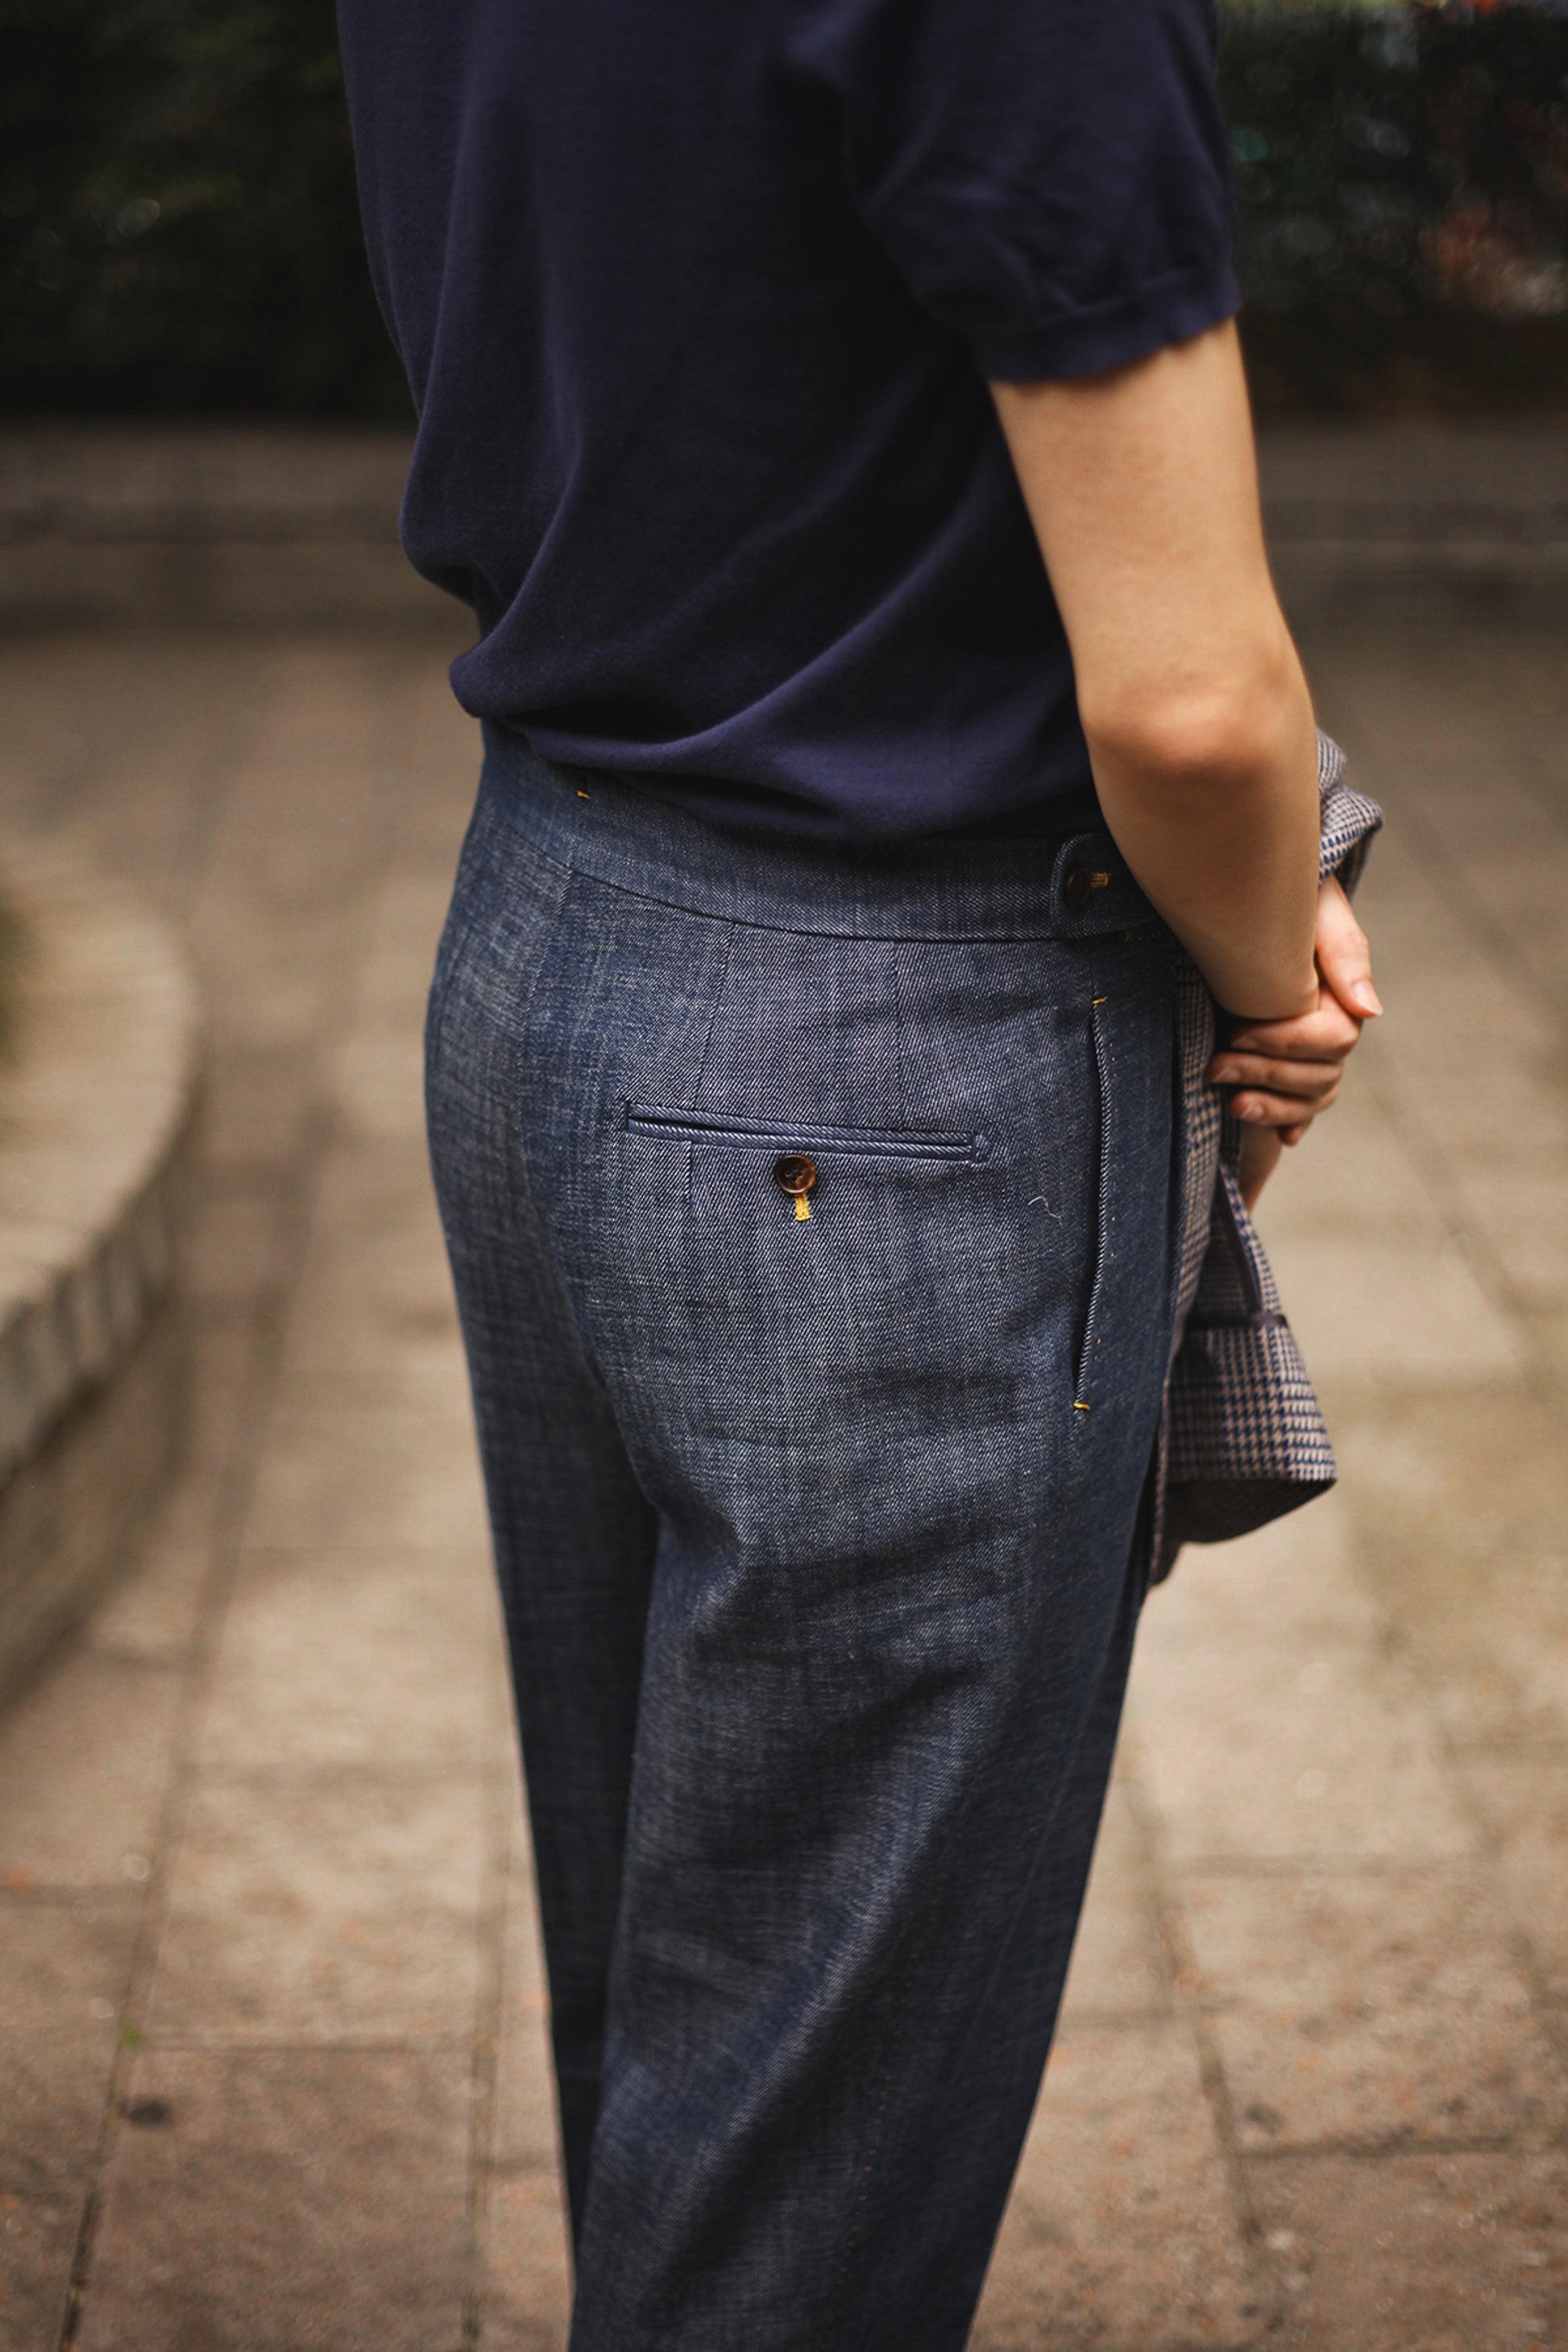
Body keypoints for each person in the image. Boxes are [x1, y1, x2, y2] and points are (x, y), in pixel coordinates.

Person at [335, 0, 1380, 2342]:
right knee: (806, 2156)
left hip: (550, 936)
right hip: (893, 1047)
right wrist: (1261, 972)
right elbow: (1194, 705)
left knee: (690, 2037)